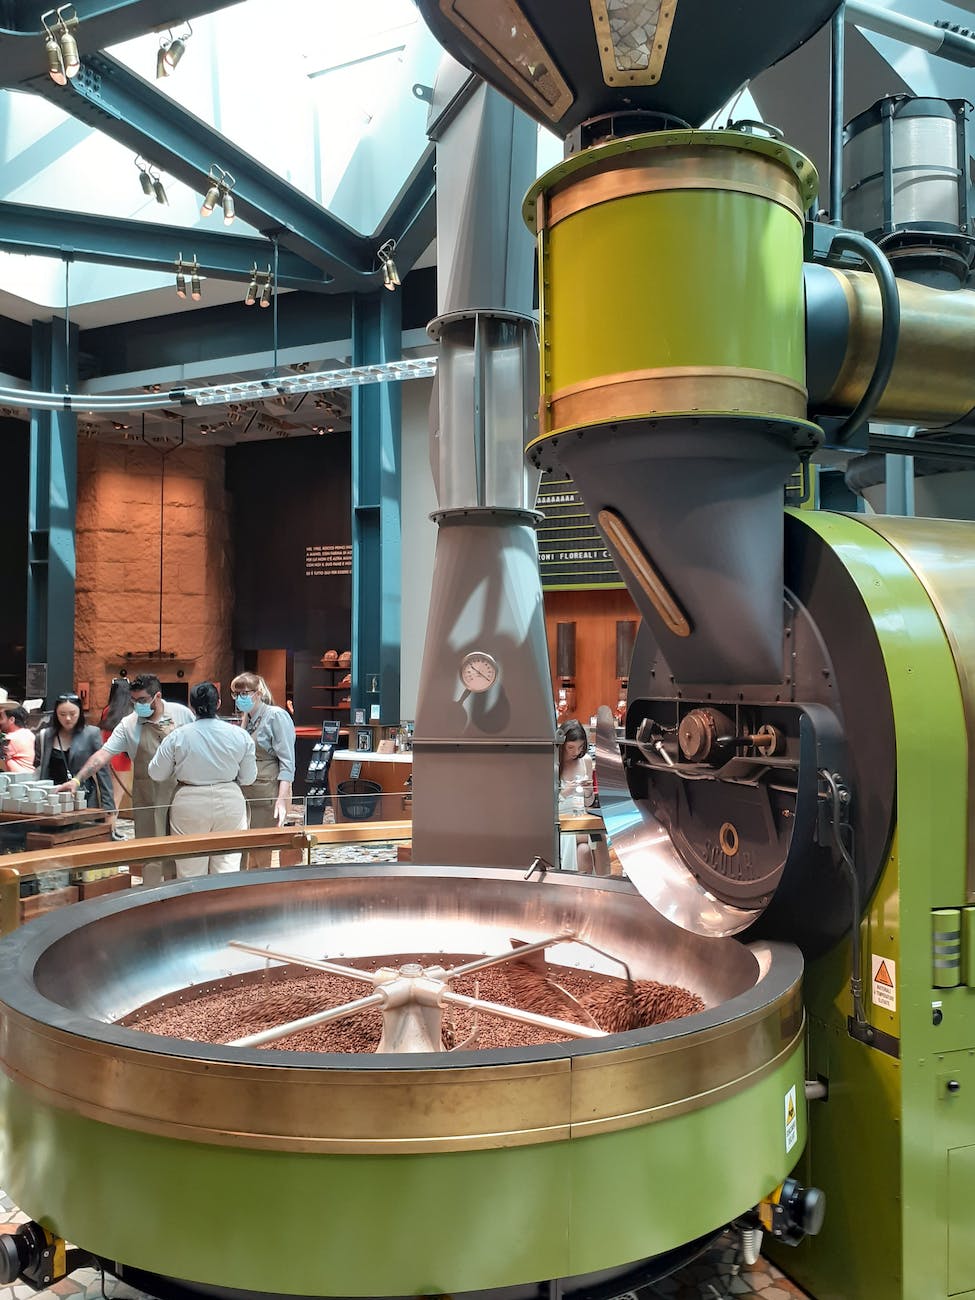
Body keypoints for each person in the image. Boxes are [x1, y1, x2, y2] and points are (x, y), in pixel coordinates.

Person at [58, 673, 194, 880]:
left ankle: (181, 900)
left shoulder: (182, 714)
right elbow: (103, 755)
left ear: (157, 697)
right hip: (147, 797)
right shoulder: (129, 724)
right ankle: (152, 899)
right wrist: (77, 779)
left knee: (183, 853)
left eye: (142, 701)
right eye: (133, 700)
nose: (136, 705)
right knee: (151, 854)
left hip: (181, 794)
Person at [147, 681, 257, 878]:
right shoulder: (240, 735)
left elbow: (156, 773)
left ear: (192, 706)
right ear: (219, 703)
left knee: (189, 871)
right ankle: (223, 908)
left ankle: (193, 908)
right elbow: (248, 778)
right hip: (229, 799)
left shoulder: (177, 736)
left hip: (189, 801)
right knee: (227, 869)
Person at [230, 671, 297, 869]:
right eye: (236, 694)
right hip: (246, 792)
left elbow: (287, 762)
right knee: (246, 851)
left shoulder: (276, 716)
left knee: (262, 850)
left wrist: (282, 799)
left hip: (267, 793)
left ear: (258, 692)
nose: (240, 698)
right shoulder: (247, 719)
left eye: (244, 693)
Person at [35, 693, 115, 811]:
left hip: (83, 796)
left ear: (80, 713)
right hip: (52, 797)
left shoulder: (91, 734)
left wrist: (109, 808)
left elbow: (103, 772)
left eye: (72, 714)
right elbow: (39, 767)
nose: (67, 718)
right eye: (62, 714)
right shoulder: (45, 735)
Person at [557, 719, 597, 874]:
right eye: (570, 747)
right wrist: (565, 792)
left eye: (580, 747)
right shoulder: (553, 763)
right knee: (584, 844)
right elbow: (544, 804)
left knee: (584, 849)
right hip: (559, 818)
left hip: (580, 816)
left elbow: (590, 802)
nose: (576, 752)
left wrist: (587, 791)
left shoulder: (585, 760)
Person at [99, 678, 134, 812]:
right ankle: (111, 829)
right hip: (123, 758)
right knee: (117, 798)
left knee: (108, 797)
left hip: (107, 755)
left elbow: (102, 732)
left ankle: (110, 828)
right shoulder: (130, 711)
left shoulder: (107, 710)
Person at [0, 703, 36, 774]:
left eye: (0, 718)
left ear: (11, 720)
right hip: (28, 776)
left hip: (15, 779)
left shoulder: (10, 738)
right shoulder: (28, 733)